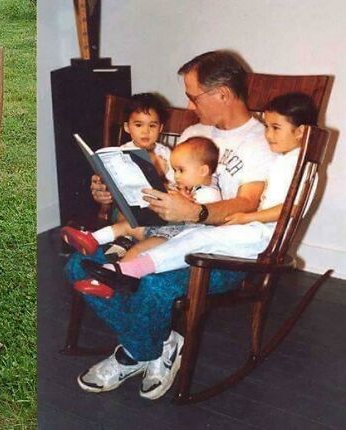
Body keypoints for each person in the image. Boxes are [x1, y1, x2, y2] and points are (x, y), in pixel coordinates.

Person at [73, 51, 278, 400]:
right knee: (78, 266)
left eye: (193, 95)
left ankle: (130, 354)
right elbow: (167, 187)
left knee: (153, 286)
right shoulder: (196, 131)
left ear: (223, 94)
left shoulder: (261, 141)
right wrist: (110, 194)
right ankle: (158, 344)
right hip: (169, 235)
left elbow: (247, 204)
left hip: (218, 251)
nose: (188, 103)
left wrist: (194, 212)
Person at [83, 92, 318, 289]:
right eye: (267, 126)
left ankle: (130, 269)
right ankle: (124, 268)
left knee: (199, 238)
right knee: (190, 236)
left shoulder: (301, 165)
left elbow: (293, 208)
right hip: (255, 230)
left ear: (300, 131)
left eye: (276, 128)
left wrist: (247, 217)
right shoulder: (285, 159)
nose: (268, 134)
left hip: (264, 237)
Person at [62, 136, 221, 271]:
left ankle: (113, 273)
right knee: (127, 225)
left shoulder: (209, 192)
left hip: (174, 238)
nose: (176, 176)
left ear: (202, 171)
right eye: (175, 170)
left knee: (139, 249)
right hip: (161, 226)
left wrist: (184, 198)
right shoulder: (185, 186)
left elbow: (196, 213)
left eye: (181, 170)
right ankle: (91, 239)